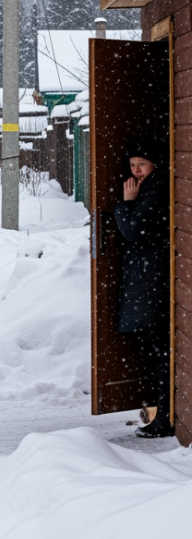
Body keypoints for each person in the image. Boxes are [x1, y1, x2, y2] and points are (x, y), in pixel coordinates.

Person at [115, 139, 173, 438]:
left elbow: (133, 231)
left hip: (153, 281)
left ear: (154, 166)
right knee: (157, 352)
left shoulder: (154, 190)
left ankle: (164, 418)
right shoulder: (149, 188)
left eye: (143, 164)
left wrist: (125, 206)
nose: (136, 170)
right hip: (151, 279)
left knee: (161, 352)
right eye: (133, 164)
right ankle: (160, 414)